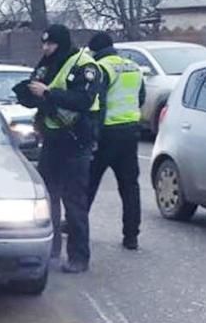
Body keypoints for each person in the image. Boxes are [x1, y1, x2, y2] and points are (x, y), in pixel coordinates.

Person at [14, 24, 103, 274]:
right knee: (48, 198)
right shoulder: (46, 63)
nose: (46, 48)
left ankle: (79, 257)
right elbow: (37, 91)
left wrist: (49, 92)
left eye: (50, 44)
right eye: (44, 44)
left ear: (62, 43)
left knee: (74, 202)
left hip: (77, 141)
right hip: (52, 140)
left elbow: (83, 100)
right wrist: (27, 94)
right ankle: (50, 251)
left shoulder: (84, 65)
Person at [86, 32, 146, 250]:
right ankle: (131, 236)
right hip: (130, 132)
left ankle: (77, 225)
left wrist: (93, 136)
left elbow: (97, 104)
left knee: (88, 182)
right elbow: (140, 98)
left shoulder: (102, 68)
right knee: (130, 187)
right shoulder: (133, 66)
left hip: (107, 134)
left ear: (95, 50)